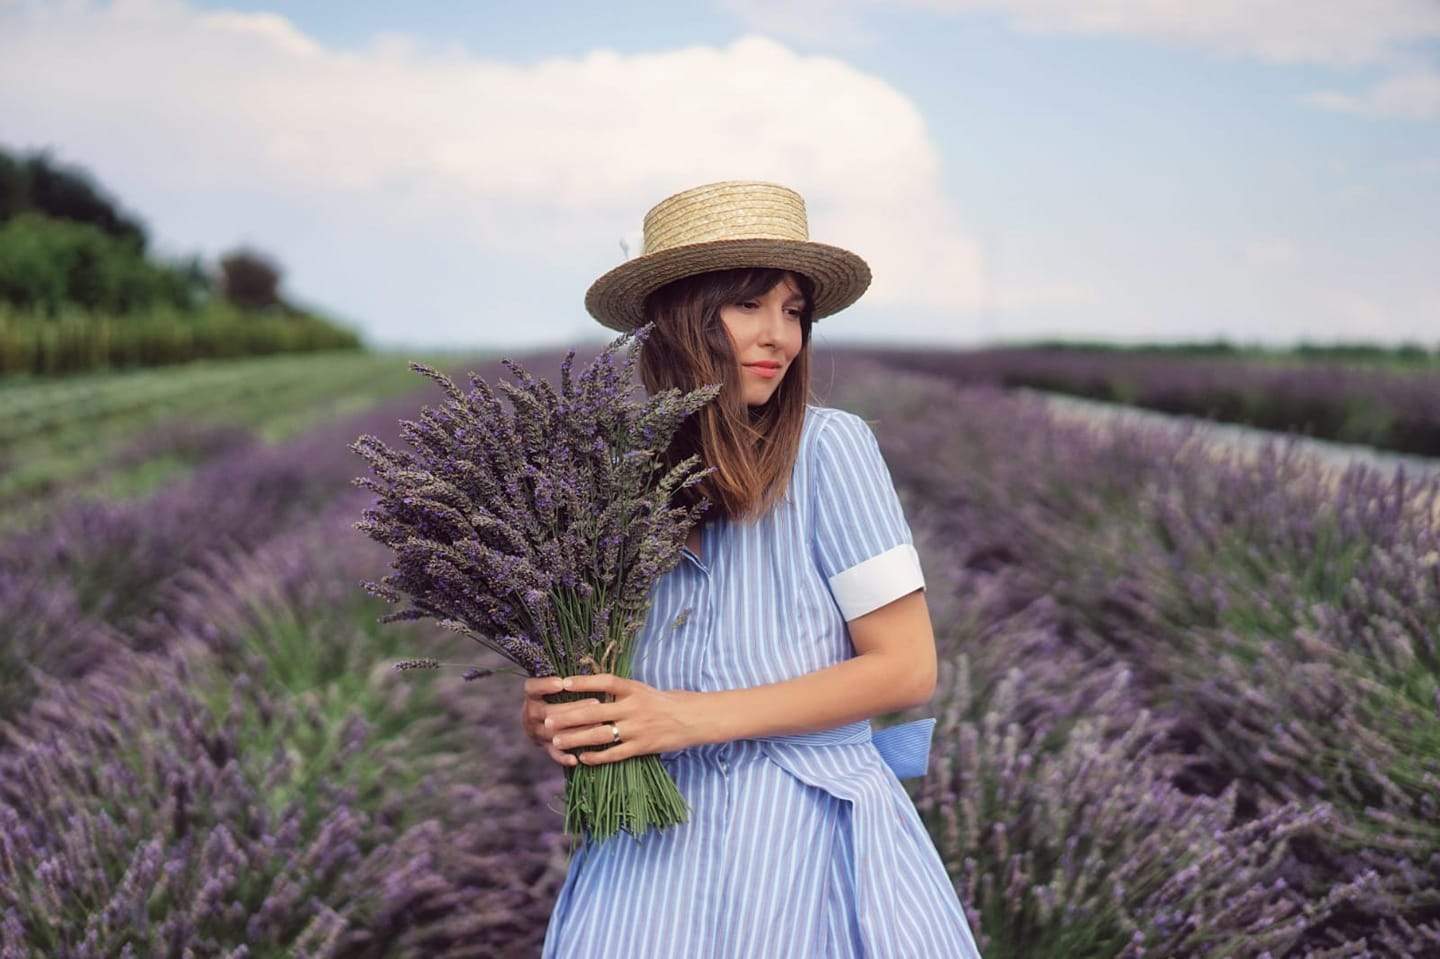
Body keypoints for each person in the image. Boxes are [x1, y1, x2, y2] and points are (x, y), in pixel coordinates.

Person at [523, 180, 983, 957]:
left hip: (805, 838)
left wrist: (684, 716)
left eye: (794, 310)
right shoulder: (605, 476)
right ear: (678, 319)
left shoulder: (830, 449)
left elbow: (906, 669)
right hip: (652, 842)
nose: (780, 336)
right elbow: (602, 674)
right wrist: (557, 713)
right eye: (748, 306)